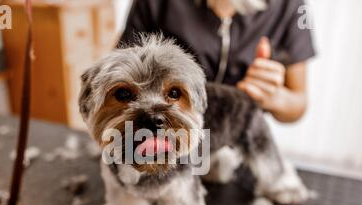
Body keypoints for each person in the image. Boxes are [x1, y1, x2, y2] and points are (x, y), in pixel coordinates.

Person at [119, 0, 315, 123]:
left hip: (239, 143)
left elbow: (298, 105)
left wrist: (274, 96)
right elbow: (118, 79)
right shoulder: (155, 3)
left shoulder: (290, 7)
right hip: (163, 138)